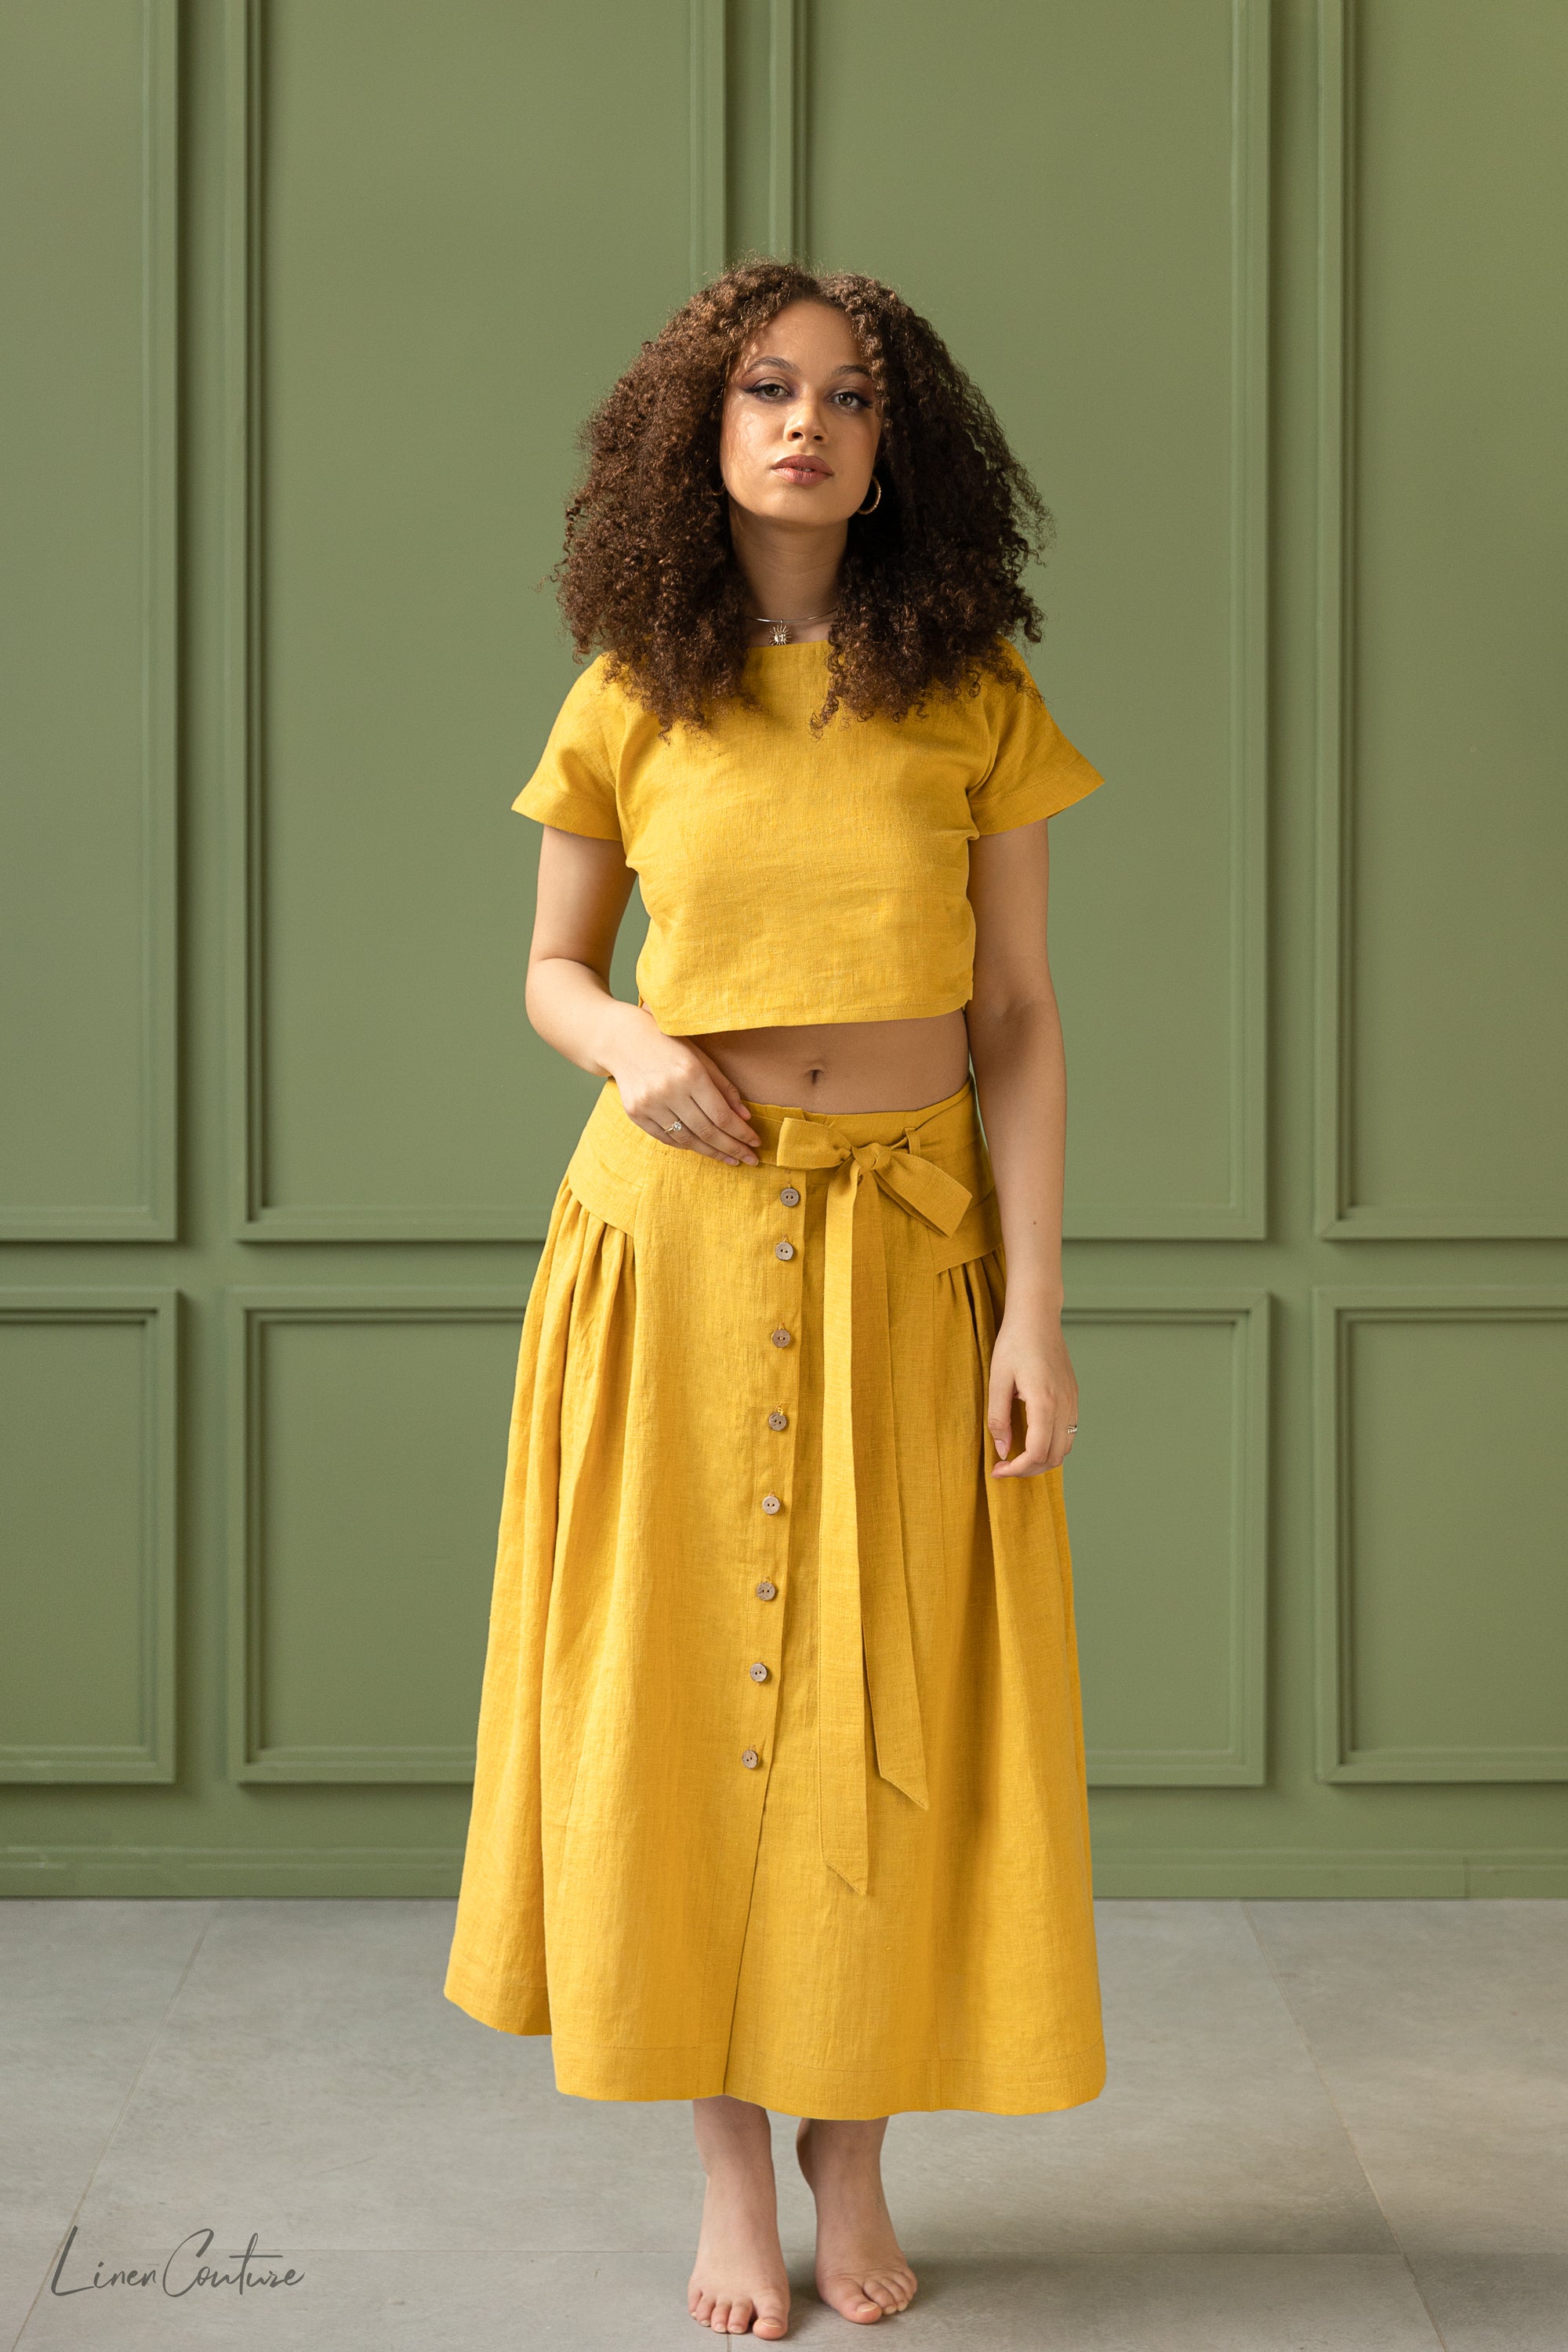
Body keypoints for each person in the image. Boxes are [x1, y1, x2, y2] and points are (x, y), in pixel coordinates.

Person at [445, 258, 1108, 2339]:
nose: (805, 421)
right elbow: (554, 971)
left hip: (914, 1259)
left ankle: (856, 2158)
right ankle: (732, 2176)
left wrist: (1035, 1309)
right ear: (701, 430)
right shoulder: (631, 685)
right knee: (681, 1719)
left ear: (896, 447)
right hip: (674, 1255)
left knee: (879, 1720)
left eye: (845, 395)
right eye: (764, 388)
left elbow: (1015, 1016)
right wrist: (631, 1044)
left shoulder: (972, 687)